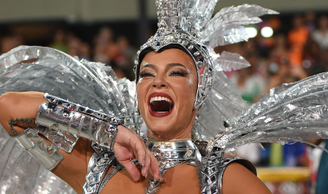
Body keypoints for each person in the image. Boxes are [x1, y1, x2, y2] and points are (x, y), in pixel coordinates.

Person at [1, 1, 328, 194]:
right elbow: (9, 108)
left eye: (176, 73)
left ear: (199, 92)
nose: (158, 82)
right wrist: (106, 131)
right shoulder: (100, 168)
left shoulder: (224, 179)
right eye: (146, 74)